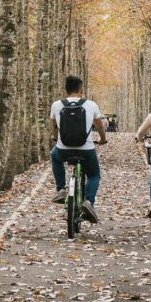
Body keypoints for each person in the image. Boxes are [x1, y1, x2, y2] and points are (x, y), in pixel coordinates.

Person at [50, 75, 107, 223]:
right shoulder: (91, 105)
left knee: (54, 155)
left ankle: (61, 189)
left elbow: (55, 126)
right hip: (86, 150)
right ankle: (89, 201)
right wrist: (103, 139)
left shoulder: (57, 105)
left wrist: (56, 138)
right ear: (81, 89)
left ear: (66, 90)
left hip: (63, 149)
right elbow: (100, 125)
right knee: (94, 175)